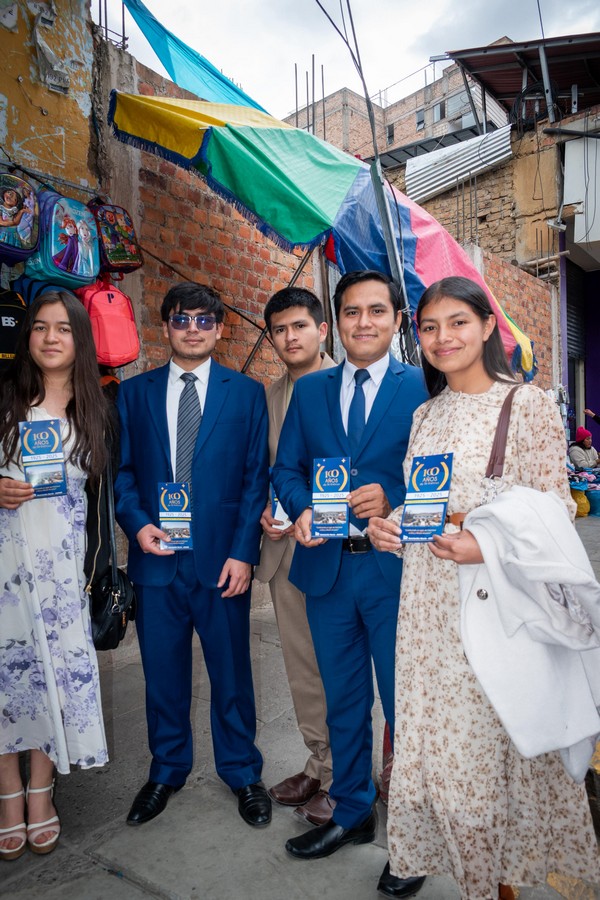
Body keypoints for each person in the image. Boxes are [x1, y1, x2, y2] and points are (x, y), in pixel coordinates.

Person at [368, 276, 600, 899]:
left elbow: (556, 510)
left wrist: (485, 544)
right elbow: (427, 503)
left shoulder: (526, 405)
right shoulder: (424, 414)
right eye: (430, 327)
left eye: (458, 323)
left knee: (488, 754)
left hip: (493, 606)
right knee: (442, 754)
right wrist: (392, 526)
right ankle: (475, 879)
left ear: (488, 326)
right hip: (426, 608)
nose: (443, 338)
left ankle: (498, 885)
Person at [272, 270, 428, 898]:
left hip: (396, 572)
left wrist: (394, 495)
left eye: (376, 311)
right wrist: (303, 508)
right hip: (328, 571)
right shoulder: (311, 391)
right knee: (342, 701)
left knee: (404, 707)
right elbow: (286, 470)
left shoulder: (422, 385)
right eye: (352, 312)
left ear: (396, 319)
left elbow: (441, 477)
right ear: (336, 322)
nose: (364, 322)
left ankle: (413, 841)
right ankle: (354, 810)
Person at [114, 281, 271, 829]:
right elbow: (122, 474)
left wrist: (243, 553)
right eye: (182, 319)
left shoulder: (245, 394)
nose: (193, 329)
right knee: (163, 676)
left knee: (231, 674)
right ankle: (166, 769)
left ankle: (242, 771)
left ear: (220, 329)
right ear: (166, 327)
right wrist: (137, 525)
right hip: (157, 561)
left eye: (205, 320)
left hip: (221, 563)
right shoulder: (133, 394)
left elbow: (254, 481)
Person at [0, 291, 112, 861]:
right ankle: (8, 795)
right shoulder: (4, 398)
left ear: (79, 339)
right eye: (40, 327)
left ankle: (41, 790)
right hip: (5, 566)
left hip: (64, 574)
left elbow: (104, 499)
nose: (50, 338)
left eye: (63, 329)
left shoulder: (97, 409)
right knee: (7, 676)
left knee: (52, 677)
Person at [254, 287, 336, 825]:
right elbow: (265, 468)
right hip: (284, 550)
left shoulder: (348, 386)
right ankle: (319, 763)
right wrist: (265, 509)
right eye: (279, 330)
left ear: (322, 330)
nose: (290, 337)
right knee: (302, 668)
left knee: (341, 667)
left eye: (299, 326)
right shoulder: (269, 395)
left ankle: (349, 773)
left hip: (336, 550)